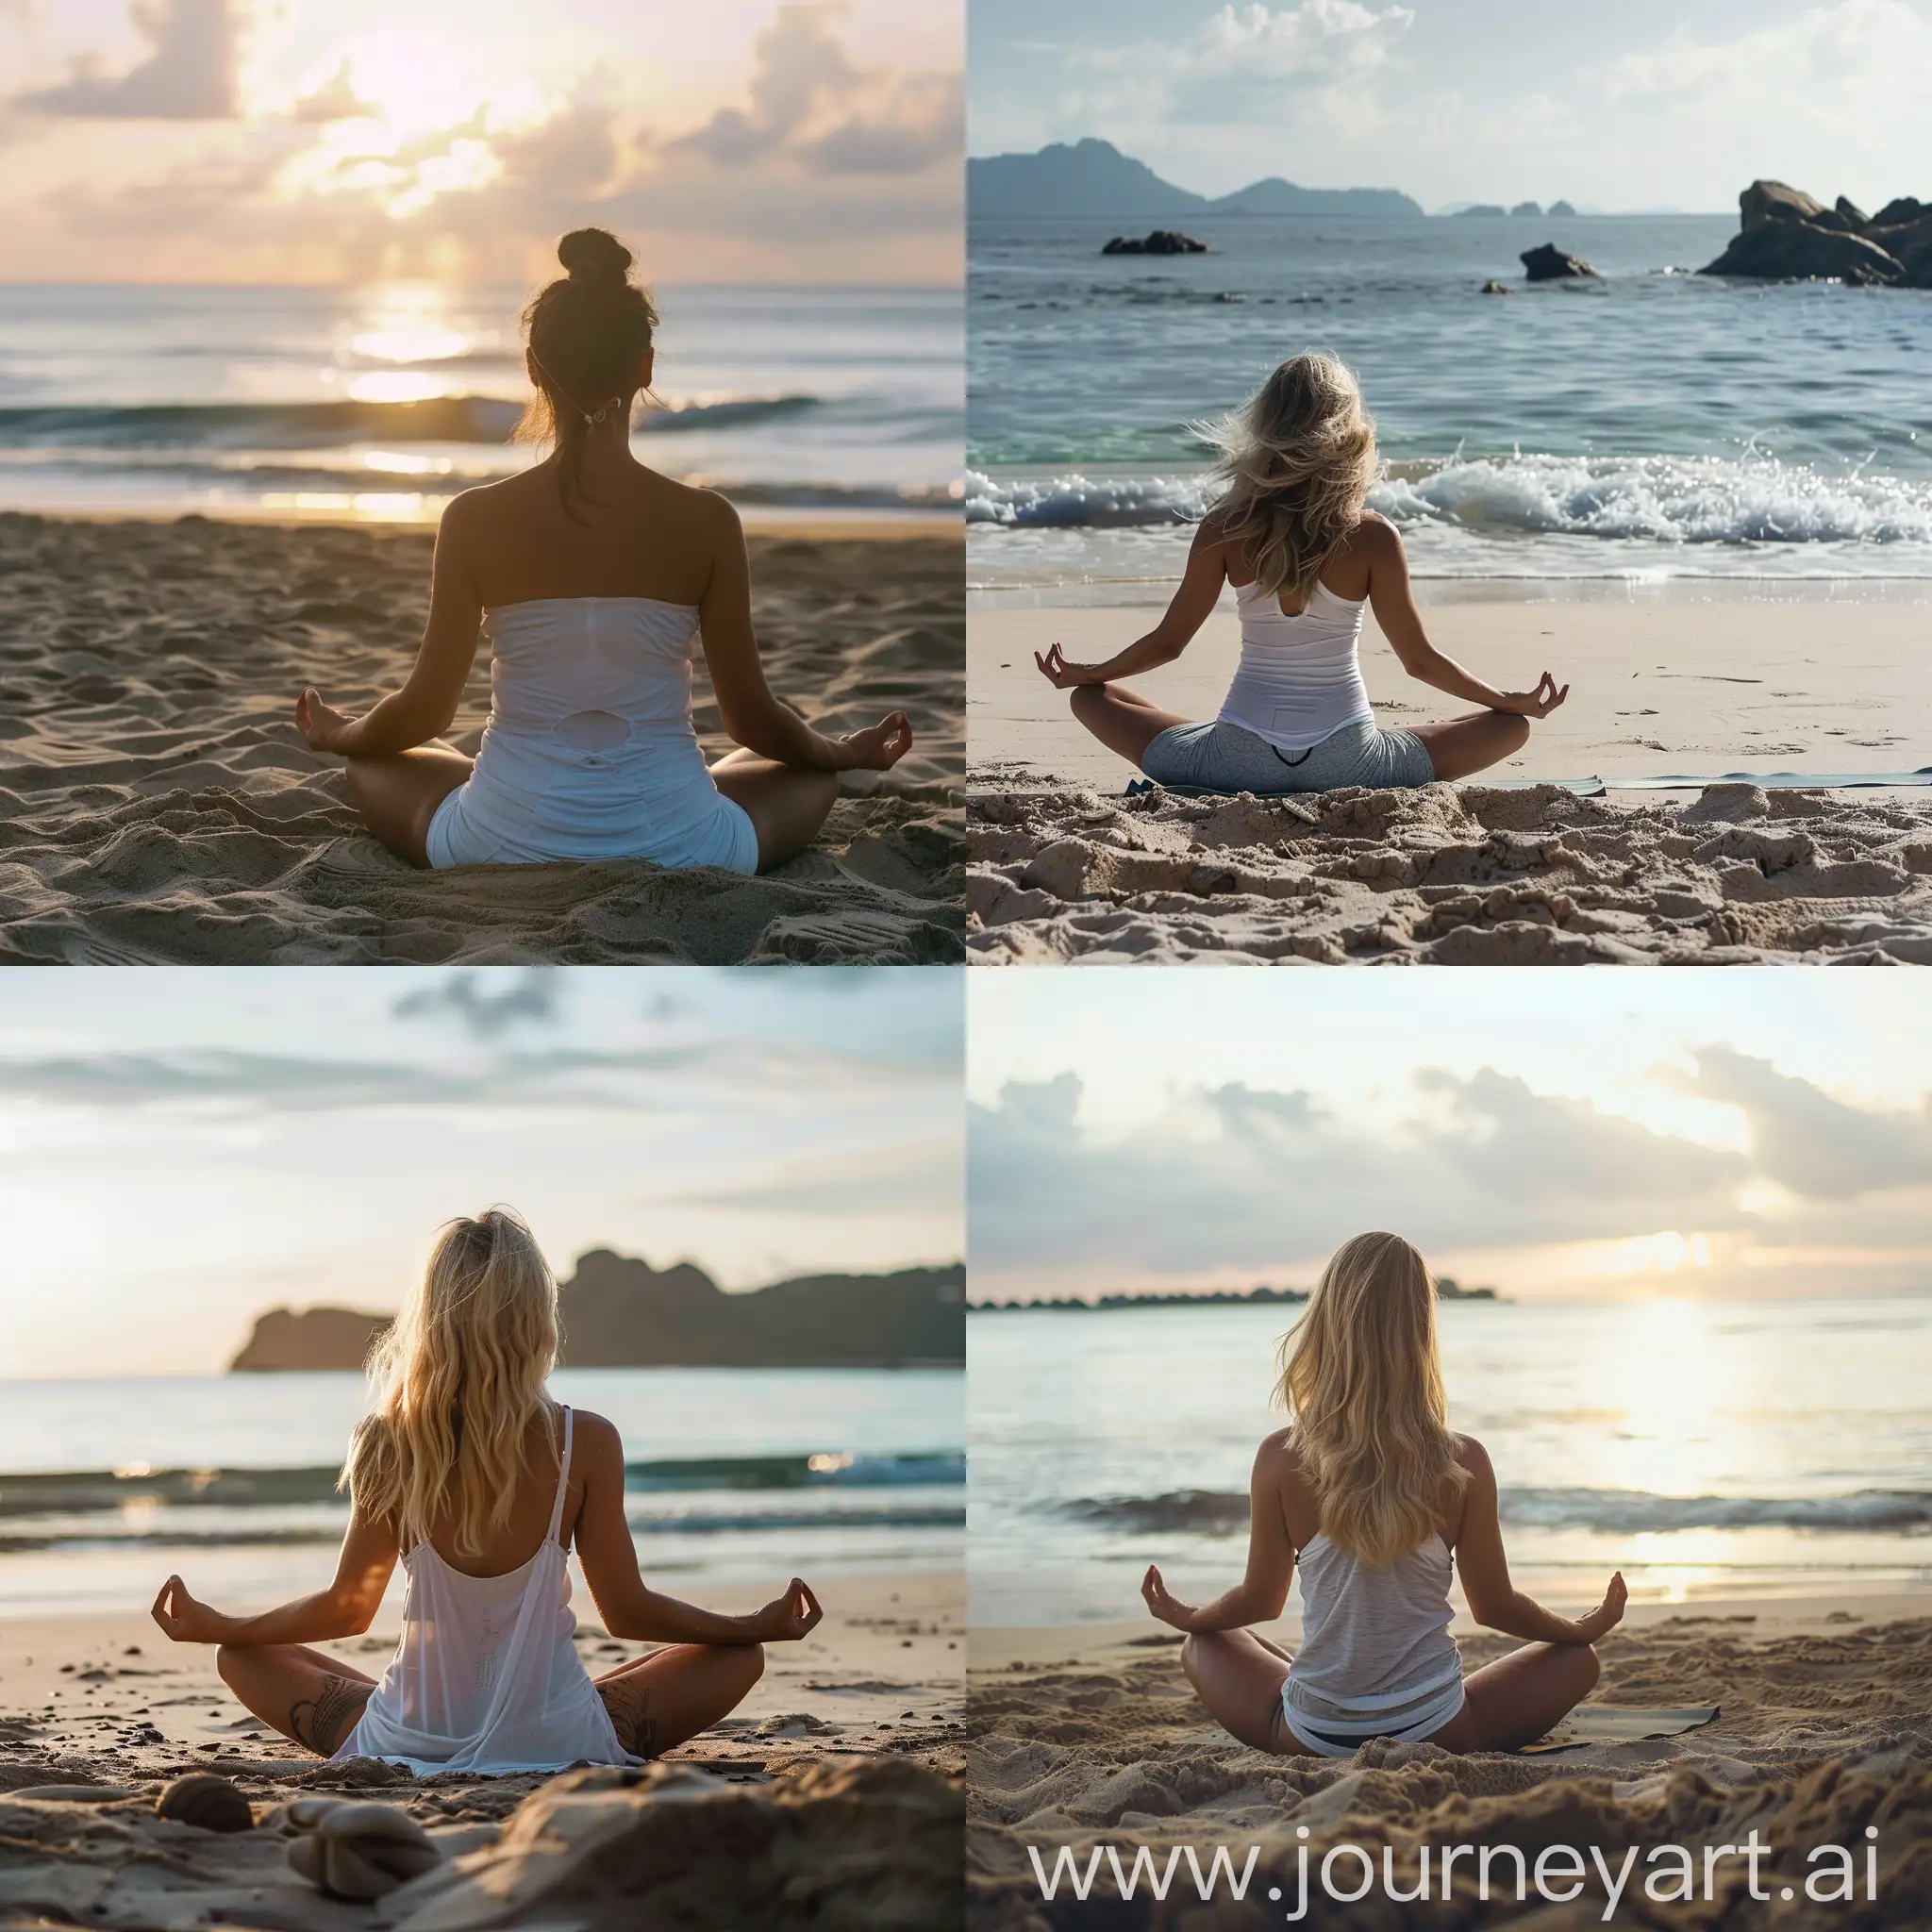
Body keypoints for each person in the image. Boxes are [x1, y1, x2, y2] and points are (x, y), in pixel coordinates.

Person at [294, 227, 911, 874]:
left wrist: (339, 734)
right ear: (646, 366)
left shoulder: (473, 518)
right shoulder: (708, 521)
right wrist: (844, 752)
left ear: (533, 367)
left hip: (499, 841)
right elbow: (752, 720)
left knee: (385, 754)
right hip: (684, 846)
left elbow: (425, 710)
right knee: (805, 771)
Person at [150, 1208, 823, 1772]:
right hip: (564, 1744)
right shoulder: (582, 1440)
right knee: (735, 1657)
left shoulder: (389, 1442)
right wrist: (748, 1625)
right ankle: (539, 1712)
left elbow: (346, 1611)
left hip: (402, 1745)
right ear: (537, 1320)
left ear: (430, 1319)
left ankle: (430, 1720)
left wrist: (224, 1625)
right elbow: (627, 1613)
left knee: (243, 1656)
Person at [1139, 1231, 1624, 1757]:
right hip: (1439, 1728)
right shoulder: (1464, 1461)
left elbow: (1261, 1600)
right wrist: (1577, 1629)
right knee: (1580, 1660)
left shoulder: (1280, 1457)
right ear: (1421, 1332)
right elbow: (1495, 1607)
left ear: (1325, 1324)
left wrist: (1192, 1616)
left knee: (1205, 1642)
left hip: (1311, 1736)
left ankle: (1311, 1702)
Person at [1034, 353, 1567, 793]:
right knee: (1509, 728)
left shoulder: (1224, 529)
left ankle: (1210, 739)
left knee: (1093, 699)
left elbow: (1168, 644)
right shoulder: (1375, 537)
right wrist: (1505, 700)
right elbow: (1420, 663)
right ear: (1349, 434)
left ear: (1264, 429)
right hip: (1350, 764)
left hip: (1235, 765)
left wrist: (1090, 671)